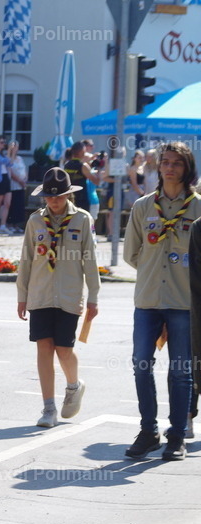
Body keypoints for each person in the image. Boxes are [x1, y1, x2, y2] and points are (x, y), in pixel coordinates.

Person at [124, 141, 201, 461]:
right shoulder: (143, 206)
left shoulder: (198, 208)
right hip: (149, 299)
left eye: (177, 163)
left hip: (184, 301)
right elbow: (130, 254)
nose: (170, 168)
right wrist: (156, 269)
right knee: (142, 365)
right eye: (165, 162)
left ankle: (177, 435)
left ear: (187, 169)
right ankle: (148, 430)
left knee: (182, 371)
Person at [16, 168, 101, 428]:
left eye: (60, 196)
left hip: (69, 294)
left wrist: (93, 297)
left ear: (68, 195)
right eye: (50, 197)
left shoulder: (82, 220)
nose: (54, 201)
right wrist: (22, 295)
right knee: (44, 347)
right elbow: (26, 259)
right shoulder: (35, 221)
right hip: (40, 294)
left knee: (64, 349)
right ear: (43, 197)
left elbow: (90, 260)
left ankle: (74, 385)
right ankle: (48, 407)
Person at [8, 141, 28, 234]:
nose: (15, 149)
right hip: (14, 185)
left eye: (17, 147)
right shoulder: (8, 158)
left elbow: (24, 169)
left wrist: (24, 180)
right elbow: (10, 171)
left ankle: (16, 225)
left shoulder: (20, 158)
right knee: (13, 205)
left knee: (19, 205)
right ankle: (10, 224)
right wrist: (19, 181)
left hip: (21, 185)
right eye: (14, 147)